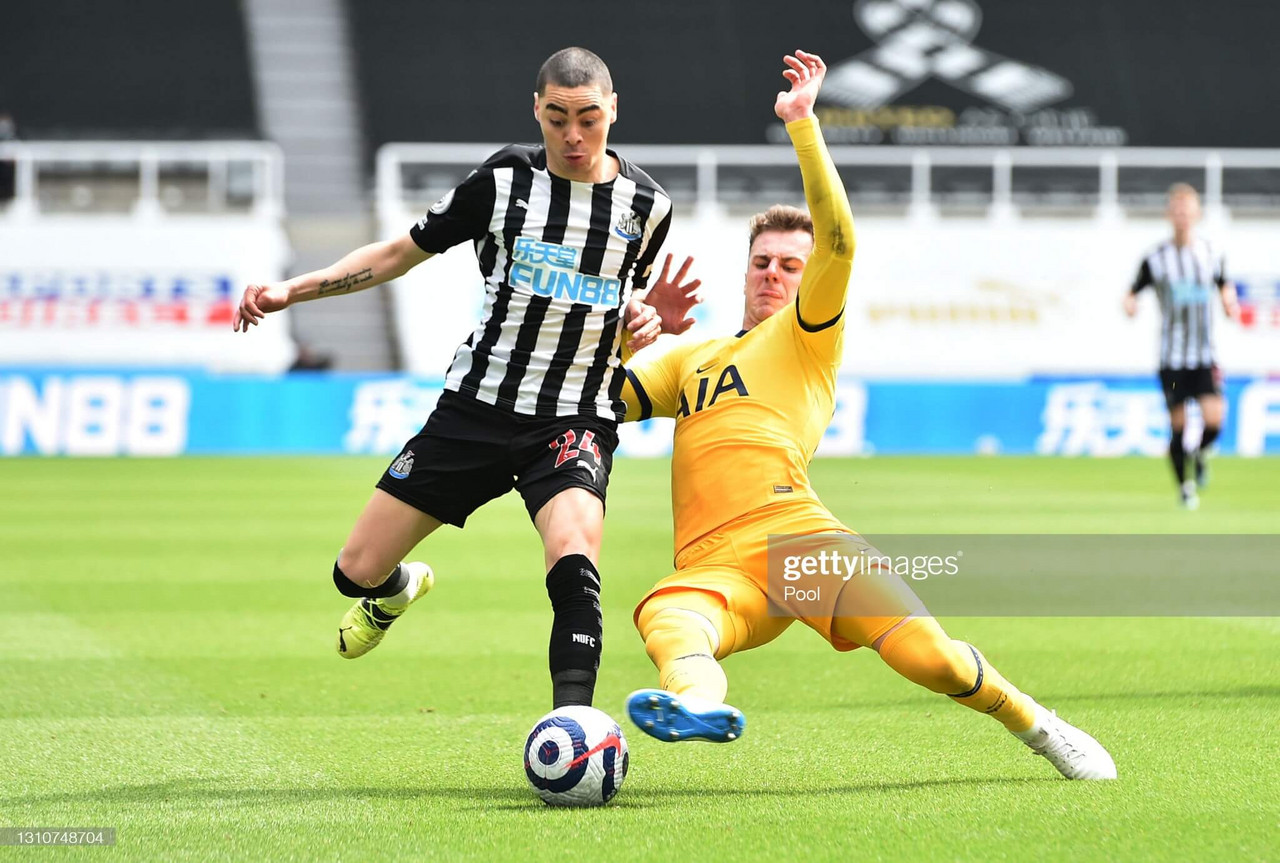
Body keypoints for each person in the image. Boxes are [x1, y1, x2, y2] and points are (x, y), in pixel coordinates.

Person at [618, 50, 1116, 780]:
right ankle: (695, 705)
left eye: (790, 265)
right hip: (716, 561)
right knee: (667, 618)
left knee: (931, 657)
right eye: (762, 261)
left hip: (799, 541)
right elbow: (591, 402)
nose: (773, 275)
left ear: (806, 278)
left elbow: (841, 241)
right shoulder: (688, 360)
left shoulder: (806, 335)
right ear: (745, 266)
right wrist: (621, 337)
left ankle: (1037, 723)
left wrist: (804, 128)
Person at [233, 47, 677, 710]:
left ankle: (575, 723)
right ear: (537, 110)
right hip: (475, 408)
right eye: (557, 118)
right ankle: (395, 593)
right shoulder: (502, 183)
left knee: (575, 554)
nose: (573, 135)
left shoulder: (647, 207)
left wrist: (636, 327)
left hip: (573, 416)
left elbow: (613, 311)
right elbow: (396, 254)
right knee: (354, 570)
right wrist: (290, 291)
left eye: (588, 117)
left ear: (613, 109)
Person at [1125, 183, 1239, 509]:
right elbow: (1133, 289)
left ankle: (1201, 452)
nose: (1182, 216)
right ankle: (1185, 487)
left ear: (1197, 214)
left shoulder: (1211, 253)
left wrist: (1229, 303)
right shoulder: (1156, 259)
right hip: (1172, 358)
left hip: (1205, 355)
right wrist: (1130, 304)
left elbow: (1224, 284)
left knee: (1215, 420)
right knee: (1178, 424)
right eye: (1176, 210)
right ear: (1168, 214)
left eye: (1187, 210)